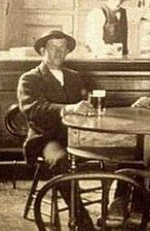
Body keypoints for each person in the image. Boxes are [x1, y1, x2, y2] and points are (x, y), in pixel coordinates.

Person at [17, 30, 95, 229]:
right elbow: (34, 110)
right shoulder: (30, 78)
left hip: (77, 135)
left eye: (63, 48)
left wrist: (88, 108)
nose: (59, 52)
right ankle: (81, 219)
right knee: (61, 161)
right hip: (45, 138)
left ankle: (117, 212)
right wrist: (69, 108)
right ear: (43, 50)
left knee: (123, 151)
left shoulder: (75, 77)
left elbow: (85, 104)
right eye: (54, 47)